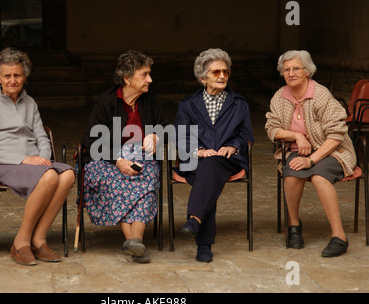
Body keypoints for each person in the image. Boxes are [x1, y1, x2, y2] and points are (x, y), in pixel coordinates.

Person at [0, 47, 75, 265]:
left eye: (17, 75)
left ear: (25, 77)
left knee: (68, 174)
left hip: (35, 162)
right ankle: (21, 241)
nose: (12, 80)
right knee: (49, 176)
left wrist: (43, 158)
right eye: (7, 75)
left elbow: (41, 137)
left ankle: (39, 239)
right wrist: (26, 160)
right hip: (4, 162)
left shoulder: (29, 102)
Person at [265, 50, 356, 257]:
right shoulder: (280, 96)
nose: (291, 73)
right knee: (291, 174)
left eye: (296, 68)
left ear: (307, 71)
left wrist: (312, 159)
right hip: (299, 150)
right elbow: (272, 129)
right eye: (286, 69)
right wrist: (297, 137)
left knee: (319, 176)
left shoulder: (320, 94)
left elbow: (336, 134)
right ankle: (294, 227)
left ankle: (339, 236)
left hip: (333, 150)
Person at [81, 50, 168, 263]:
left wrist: (156, 136)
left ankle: (134, 242)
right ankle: (135, 241)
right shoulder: (107, 102)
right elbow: (89, 142)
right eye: (144, 74)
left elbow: (166, 128)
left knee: (148, 176)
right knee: (117, 180)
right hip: (106, 158)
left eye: (149, 73)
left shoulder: (149, 100)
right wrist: (117, 160)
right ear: (127, 79)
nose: (150, 79)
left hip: (141, 157)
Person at [174, 48, 255, 262]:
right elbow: (180, 136)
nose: (222, 76)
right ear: (203, 78)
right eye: (216, 72)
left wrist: (234, 146)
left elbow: (246, 134)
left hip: (228, 161)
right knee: (207, 171)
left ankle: (196, 222)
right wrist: (198, 151)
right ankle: (202, 240)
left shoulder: (239, 103)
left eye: (225, 72)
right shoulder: (187, 105)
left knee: (210, 168)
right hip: (195, 160)